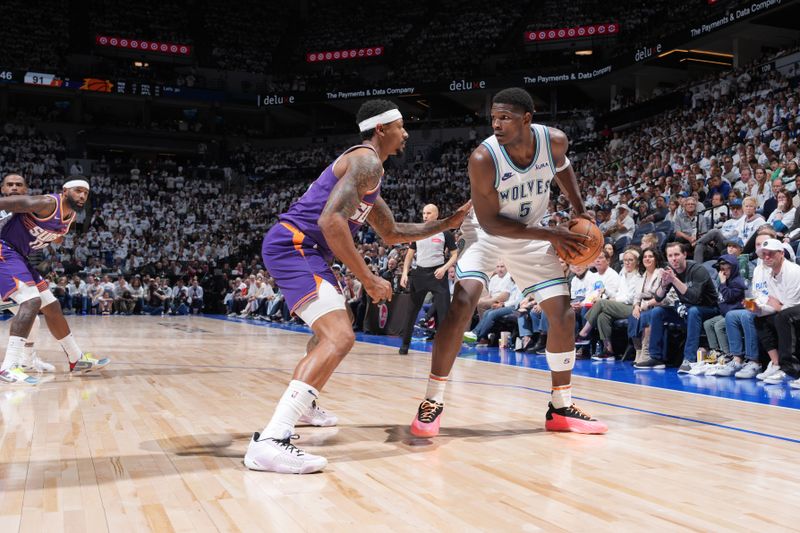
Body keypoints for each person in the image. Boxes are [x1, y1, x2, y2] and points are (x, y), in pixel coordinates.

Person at [247, 99, 471, 474]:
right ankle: (272, 439)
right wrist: (367, 278)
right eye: (401, 126)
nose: (407, 133)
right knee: (340, 337)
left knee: (332, 331)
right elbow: (332, 221)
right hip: (295, 245)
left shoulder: (371, 174)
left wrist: (446, 224)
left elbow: (393, 232)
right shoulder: (365, 160)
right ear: (382, 129)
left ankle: (305, 407)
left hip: (306, 248)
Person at [409, 88, 607, 439]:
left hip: (531, 231)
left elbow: (563, 169)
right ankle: (432, 400)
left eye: (505, 118)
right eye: (493, 119)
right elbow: (490, 224)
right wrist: (551, 235)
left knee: (562, 313)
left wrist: (578, 208)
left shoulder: (554, 141)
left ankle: (561, 406)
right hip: (488, 232)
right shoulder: (484, 158)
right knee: (461, 302)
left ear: (527, 119)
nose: (497, 124)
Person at [0, 177, 109, 385]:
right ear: (65, 191)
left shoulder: (70, 217)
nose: (82, 196)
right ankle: (8, 367)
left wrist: (54, 237)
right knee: (31, 301)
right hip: (4, 250)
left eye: (85, 193)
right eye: (78, 191)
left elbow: (56, 236)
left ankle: (76, 359)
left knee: (52, 306)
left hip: (20, 257)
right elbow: (16, 203)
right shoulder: (47, 203)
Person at [634, 242, 718, 370]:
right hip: (687, 310)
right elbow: (658, 297)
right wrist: (663, 284)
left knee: (694, 311)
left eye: (677, 254)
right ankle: (655, 357)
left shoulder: (697, 270)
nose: (674, 258)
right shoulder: (671, 271)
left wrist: (674, 280)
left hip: (709, 309)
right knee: (657, 312)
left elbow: (694, 297)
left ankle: (689, 359)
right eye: (670, 255)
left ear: (684, 255)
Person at [398, 204, 458, 354]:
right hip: (419, 275)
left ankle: (446, 348)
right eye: (424, 213)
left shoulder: (445, 233)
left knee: (444, 313)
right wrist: (405, 273)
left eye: (428, 213)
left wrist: (444, 268)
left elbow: (455, 254)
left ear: (436, 215)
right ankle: (405, 345)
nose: (425, 216)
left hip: (437, 275)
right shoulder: (417, 232)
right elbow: (409, 255)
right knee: (411, 312)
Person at [578, 249, 643, 361]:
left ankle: (584, 333)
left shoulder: (638, 276)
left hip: (632, 307)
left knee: (601, 303)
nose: (627, 263)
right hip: (621, 304)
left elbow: (630, 298)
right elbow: (619, 293)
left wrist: (614, 299)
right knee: (603, 316)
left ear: (637, 262)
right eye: (625, 260)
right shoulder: (624, 274)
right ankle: (609, 350)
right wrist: (606, 291)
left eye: (630, 260)